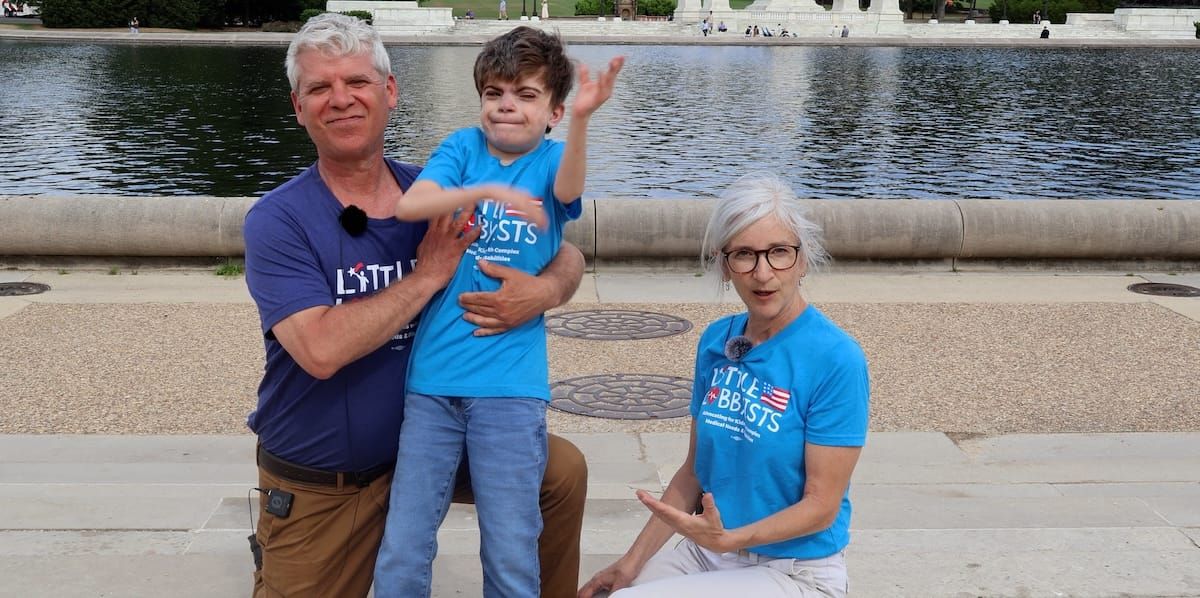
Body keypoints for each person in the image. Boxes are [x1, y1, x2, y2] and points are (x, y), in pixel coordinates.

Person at [243, 14, 588, 598]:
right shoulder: (278, 219)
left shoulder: (432, 185)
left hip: (436, 436)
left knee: (561, 473)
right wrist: (427, 275)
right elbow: (322, 351)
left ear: (390, 91)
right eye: (319, 88)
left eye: (357, 82)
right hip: (331, 480)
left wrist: (547, 289)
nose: (341, 100)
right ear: (298, 108)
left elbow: (563, 247)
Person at [372, 27, 623, 598]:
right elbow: (410, 204)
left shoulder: (556, 157)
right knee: (405, 543)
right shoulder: (462, 149)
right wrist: (488, 192)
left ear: (553, 111)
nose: (507, 105)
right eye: (495, 92)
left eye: (526, 95)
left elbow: (569, 188)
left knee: (511, 546)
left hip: (510, 389)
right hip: (432, 384)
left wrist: (584, 119)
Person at [579, 173, 870, 598]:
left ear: (803, 260)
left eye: (779, 253)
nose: (763, 272)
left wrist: (730, 539)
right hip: (711, 552)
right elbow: (695, 470)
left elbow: (821, 506)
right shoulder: (717, 341)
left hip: (795, 570)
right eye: (745, 255)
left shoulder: (835, 358)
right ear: (724, 264)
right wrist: (630, 564)